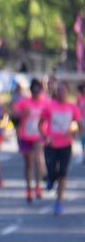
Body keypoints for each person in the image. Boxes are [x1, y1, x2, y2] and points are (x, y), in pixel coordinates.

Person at [41, 81, 82, 215]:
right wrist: (44, 136)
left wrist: (75, 133)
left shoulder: (72, 108)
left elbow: (79, 125)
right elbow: (40, 123)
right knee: (52, 171)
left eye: (63, 90)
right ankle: (50, 180)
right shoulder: (49, 107)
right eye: (59, 90)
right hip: (51, 144)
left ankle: (58, 202)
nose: (61, 93)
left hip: (66, 145)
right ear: (56, 92)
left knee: (63, 173)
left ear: (67, 92)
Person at [12, 79, 49, 203]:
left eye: (38, 90)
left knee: (38, 160)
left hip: (38, 136)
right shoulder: (24, 102)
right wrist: (22, 114)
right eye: (34, 90)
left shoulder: (45, 102)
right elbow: (14, 115)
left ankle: (38, 186)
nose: (36, 93)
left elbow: (50, 116)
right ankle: (29, 189)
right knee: (28, 164)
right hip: (25, 136)